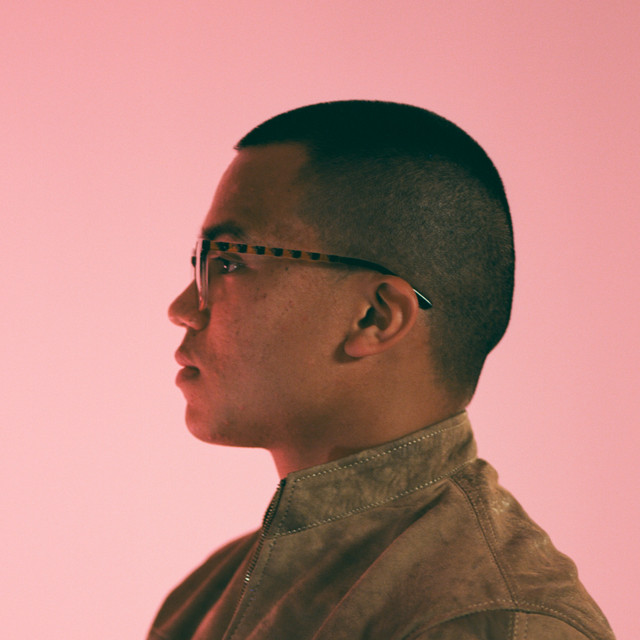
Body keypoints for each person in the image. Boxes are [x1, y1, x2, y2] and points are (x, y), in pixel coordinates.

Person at [147, 101, 615, 640]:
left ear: (375, 317)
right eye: (201, 263)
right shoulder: (206, 597)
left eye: (229, 262)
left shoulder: (491, 621)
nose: (183, 308)